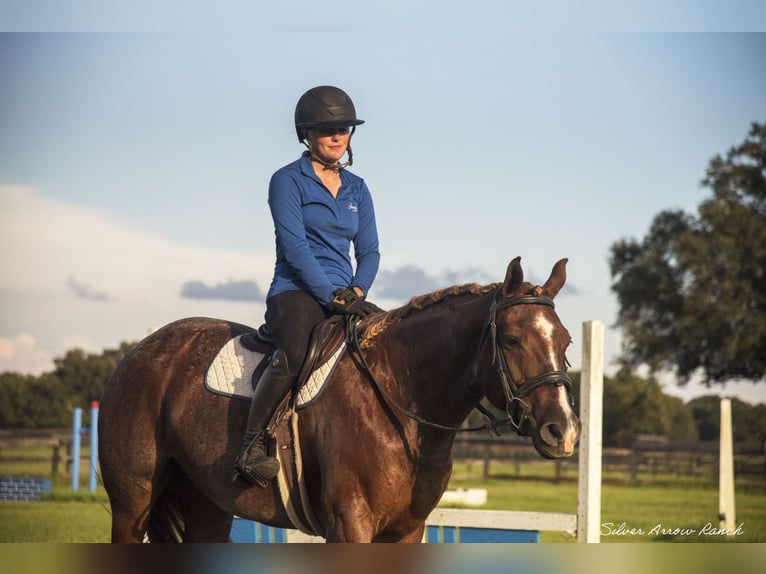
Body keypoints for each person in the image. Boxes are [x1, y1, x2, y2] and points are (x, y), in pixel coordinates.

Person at [234, 85, 382, 487]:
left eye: (344, 129)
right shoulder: (286, 181)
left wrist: (357, 292)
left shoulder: (358, 189)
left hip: (348, 297)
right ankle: (250, 445)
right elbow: (295, 248)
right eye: (327, 129)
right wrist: (331, 296)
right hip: (295, 291)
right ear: (307, 134)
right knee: (296, 351)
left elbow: (369, 251)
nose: (337, 136)